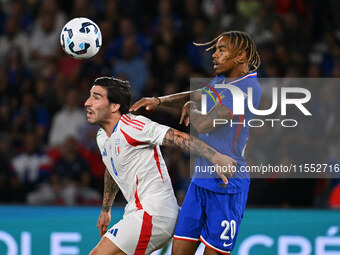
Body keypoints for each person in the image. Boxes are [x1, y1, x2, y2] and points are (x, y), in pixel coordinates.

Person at [130, 31, 261, 255]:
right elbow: (197, 94)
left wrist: (192, 107)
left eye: (222, 50)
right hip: (201, 180)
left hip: (227, 185)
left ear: (241, 56)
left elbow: (205, 124)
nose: (214, 55)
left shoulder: (246, 89)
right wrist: (159, 101)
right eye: (215, 50)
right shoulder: (222, 81)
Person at [85, 77, 236, 255]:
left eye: (96, 97)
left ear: (114, 106)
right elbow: (113, 167)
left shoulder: (133, 126)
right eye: (90, 96)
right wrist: (106, 209)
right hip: (138, 212)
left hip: (154, 212)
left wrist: (215, 156)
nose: (87, 103)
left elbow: (178, 137)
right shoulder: (102, 136)